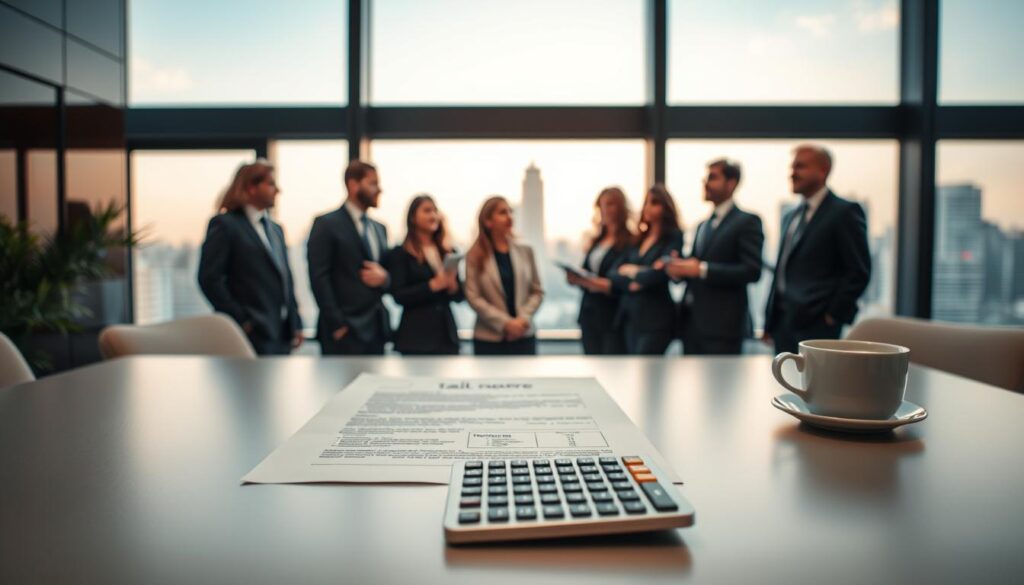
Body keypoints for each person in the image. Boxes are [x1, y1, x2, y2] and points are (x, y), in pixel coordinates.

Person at [764, 144, 871, 355]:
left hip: (818, 325)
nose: (792, 173)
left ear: (823, 170)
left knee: (817, 386)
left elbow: (859, 271)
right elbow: (782, 270)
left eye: (800, 166)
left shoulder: (844, 212)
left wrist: (832, 315)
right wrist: (770, 321)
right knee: (784, 381)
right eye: (792, 167)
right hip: (783, 324)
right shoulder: (790, 216)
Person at [198, 159, 302, 355]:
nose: (277, 190)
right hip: (248, 335)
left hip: (281, 335)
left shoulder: (276, 230)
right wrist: (242, 321)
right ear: (251, 187)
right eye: (270, 184)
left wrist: (295, 322)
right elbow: (209, 279)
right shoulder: (225, 225)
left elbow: (285, 278)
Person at [664, 159, 764, 355]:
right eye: (705, 178)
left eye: (713, 178)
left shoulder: (747, 221)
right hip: (691, 325)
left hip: (723, 328)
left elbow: (752, 271)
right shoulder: (703, 225)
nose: (705, 183)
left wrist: (701, 269)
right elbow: (695, 266)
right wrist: (679, 269)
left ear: (731, 183)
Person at [307, 160, 391, 355]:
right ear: (353, 185)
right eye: (373, 183)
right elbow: (319, 277)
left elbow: (388, 274)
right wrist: (337, 325)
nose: (379, 190)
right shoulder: (326, 224)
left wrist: (385, 278)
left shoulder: (380, 228)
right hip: (344, 332)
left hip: (376, 331)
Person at [464, 196, 544, 355]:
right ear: (488, 221)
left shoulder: (526, 250)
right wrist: (505, 323)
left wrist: (522, 320)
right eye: (502, 212)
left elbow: (537, 291)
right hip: (489, 339)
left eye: (510, 212)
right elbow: (473, 297)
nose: (509, 217)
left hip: (524, 334)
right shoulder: (474, 255)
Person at [611, 185, 684, 355]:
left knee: (648, 369)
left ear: (665, 208)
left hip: (656, 320)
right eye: (646, 203)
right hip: (631, 317)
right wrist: (639, 277)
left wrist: (632, 271)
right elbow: (614, 273)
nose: (648, 208)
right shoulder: (638, 239)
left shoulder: (673, 237)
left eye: (654, 203)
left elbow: (661, 273)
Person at [387, 195, 463, 355]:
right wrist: (432, 286)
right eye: (427, 211)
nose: (433, 215)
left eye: (435, 210)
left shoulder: (448, 252)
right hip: (416, 337)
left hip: (446, 335)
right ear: (413, 217)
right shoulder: (400, 254)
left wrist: (453, 287)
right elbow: (399, 296)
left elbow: (459, 296)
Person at [566, 187, 634, 355]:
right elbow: (586, 272)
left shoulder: (630, 242)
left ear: (620, 208)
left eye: (610, 204)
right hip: (589, 315)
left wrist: (587, 281)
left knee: (611, 368)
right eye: (601, 205)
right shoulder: (597, 241)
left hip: (612, 317)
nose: (605, 210)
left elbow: (619, 283)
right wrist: (576, 278)